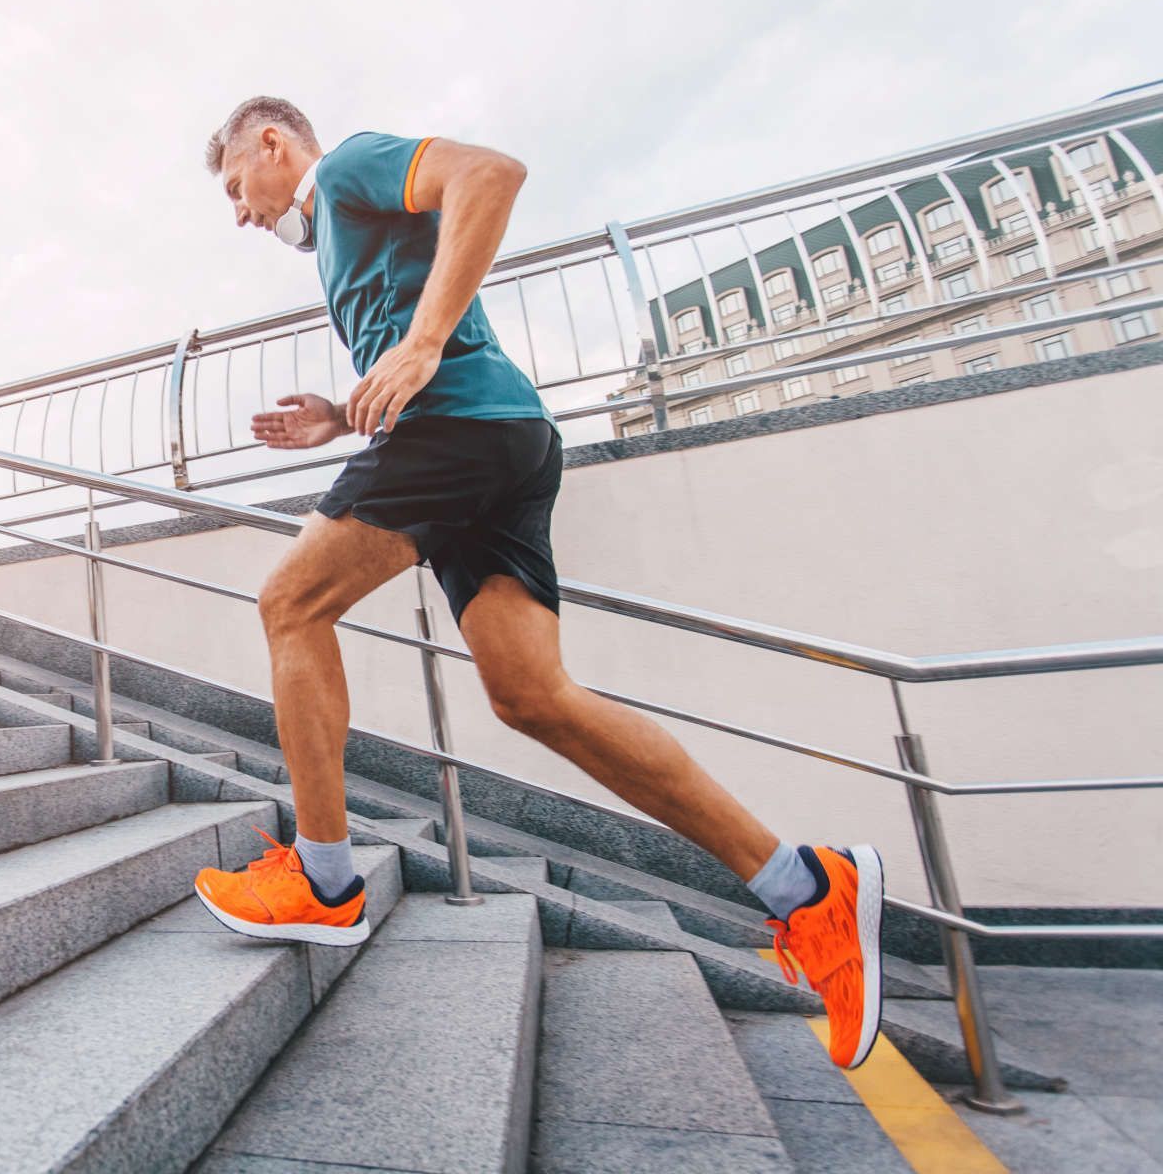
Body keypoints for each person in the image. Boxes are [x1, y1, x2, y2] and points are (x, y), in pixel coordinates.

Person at [187, 96, 885, 1070]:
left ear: (272, 144)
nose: (240, 213)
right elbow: (418, 333)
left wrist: (422, 346)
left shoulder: (346, 169)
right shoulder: (346, 236)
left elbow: (491, 173)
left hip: (461, 430)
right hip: (502, 439)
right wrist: (342, 416)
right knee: (533, 696)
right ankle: (807, 886)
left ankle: (324, 878)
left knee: (290, 601)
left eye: (235, 188)